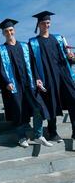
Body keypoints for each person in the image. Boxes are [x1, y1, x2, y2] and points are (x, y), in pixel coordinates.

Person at [0, 19, 52, 148]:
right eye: (6, 31)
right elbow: (1, 69)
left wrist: (37, 78)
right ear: (4, 34)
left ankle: (38, 135)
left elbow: (33, 64)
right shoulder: (1, 50)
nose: (9, 33)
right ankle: (22, 137)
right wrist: (6, 82)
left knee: (38, 108)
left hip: (29, 83)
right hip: (14, 85)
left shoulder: (25, 46)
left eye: (10, 30)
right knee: (19, 111)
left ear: (14, 31)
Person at [29, 11, 75, 142]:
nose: (46, 25)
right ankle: (53, 132)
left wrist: (70, 57)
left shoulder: (58, 38)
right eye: (43, 23)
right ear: (38, 24)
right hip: (48, 75)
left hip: (63, 74)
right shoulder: (33, 42)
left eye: (48, 22)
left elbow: (65, 57)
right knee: (52, 102)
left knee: (73, 99)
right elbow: (32, 63)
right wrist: (37, 77)